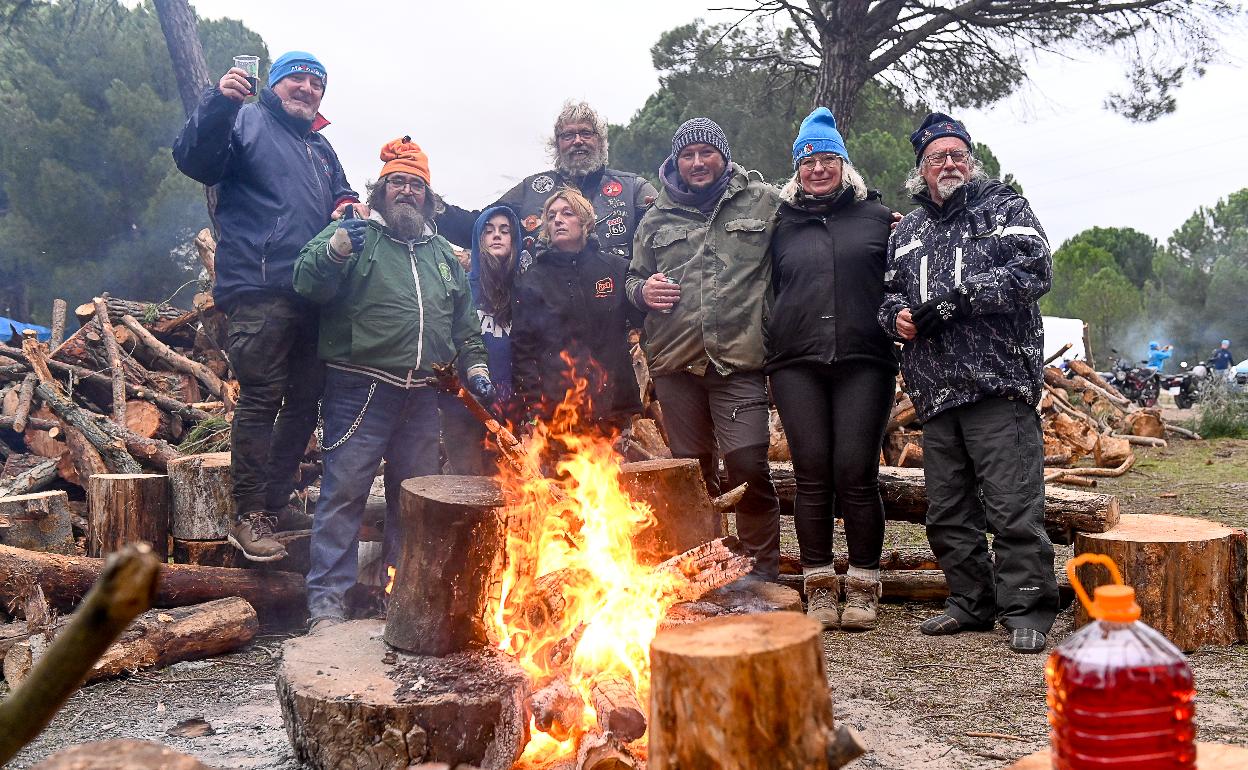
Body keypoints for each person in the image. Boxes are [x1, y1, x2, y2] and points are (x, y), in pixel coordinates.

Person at [293, 137, 492, 631]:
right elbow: (306, 282)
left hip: (424, 394)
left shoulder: (441, 253)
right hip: (360, 389)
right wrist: (336, 251)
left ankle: (404, 595)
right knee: (344, 492)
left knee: (416, 498)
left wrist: (477, 367)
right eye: (397, 182)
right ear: (380, 190)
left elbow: (465, 324)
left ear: (429, 195)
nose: (407, 191)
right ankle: (327, 607)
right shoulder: (355, 233)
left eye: (416, 184)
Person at [878, 112, 1059, 654]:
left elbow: (1035, 269)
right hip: (935, 391)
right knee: (948, 508)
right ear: (921, 169)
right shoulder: (906, 232)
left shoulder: (1004, 208)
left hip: (997, 383)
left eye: (958, 154)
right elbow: (887, 294)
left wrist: (960, 300)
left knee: (1011, 504)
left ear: (971, 161)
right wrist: (896, 319)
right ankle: (969, 601)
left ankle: (1026, 606)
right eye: (938, 157)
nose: (950, 163)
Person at [172, 51, 360, 561]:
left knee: (305, 400)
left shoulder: (319, 145)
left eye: (316, 82)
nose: (307, 88)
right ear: (273, 84)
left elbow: (342, 192)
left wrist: (347, 206)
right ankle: (248, 515)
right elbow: (195, 159)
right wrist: (218, 103)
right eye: (296, 78)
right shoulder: (245, 119)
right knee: (261, 397)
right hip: (259, 287)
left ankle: (276, 502)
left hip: (314, 292)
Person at [627, 118, 782, 580]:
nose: (697, 163)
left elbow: (818, 220)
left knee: (749, 464)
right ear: (676, 161)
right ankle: (705, 572)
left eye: (705, 153)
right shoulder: (656, 218)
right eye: (687, 155)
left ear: (723, 156)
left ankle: (760, 575)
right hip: (676, 365)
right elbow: (633, 278)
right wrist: (641, 291)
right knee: (692, 475)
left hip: (739, 361)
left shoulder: (763, 202)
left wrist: (878, 216)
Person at [765, 108, 897, 630]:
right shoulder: (779, 224)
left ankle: (864, 582)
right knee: (812, 472)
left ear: (844, 164)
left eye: (828, 159)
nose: (818, 169)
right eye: (808, 161)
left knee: (856, 472)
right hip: (796, 360)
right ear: (797, 169)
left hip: (866, 358)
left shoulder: (879, 219)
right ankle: (819, 582)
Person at [437, 101, 657, 260]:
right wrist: (432, 207)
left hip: (616, 320)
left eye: (586, 133)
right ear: (557, 145)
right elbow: (477, 229)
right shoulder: (530, 190)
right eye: (568, 135)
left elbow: (664, 242)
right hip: (544, 318)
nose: (577, 141)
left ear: (600, 141)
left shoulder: (633, 189)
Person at [512, 188, 641, 432]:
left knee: (619, 472)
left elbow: (645, 325)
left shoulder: (617, 270)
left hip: (614, 406)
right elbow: (522, 351)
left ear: (586, 222)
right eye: (551, 216)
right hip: (560, 413)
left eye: (567, 213)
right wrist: (533, 406)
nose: (557, 220)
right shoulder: (531, 280)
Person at [439, 206, 529, 474]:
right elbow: (448, 341)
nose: (496, 236)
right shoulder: (462, 287)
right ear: (478, 240)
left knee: (508, 488)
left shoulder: (525, 293)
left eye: (504, 231)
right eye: (488, 231)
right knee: (466, 484)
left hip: (511, 409)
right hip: (463, 406)